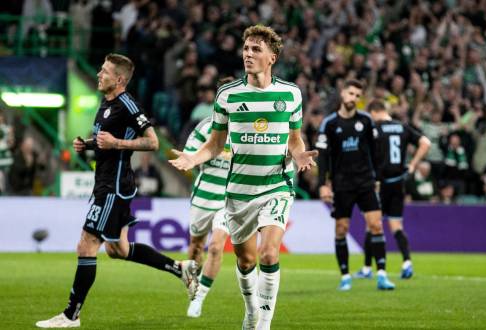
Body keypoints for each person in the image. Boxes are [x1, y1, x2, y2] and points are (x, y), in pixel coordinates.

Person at [170, 25, 317, 330]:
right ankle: (251, 311)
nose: (248, 54)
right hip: (239, 192)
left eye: (256, 49)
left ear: (272, 57)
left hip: (277, 185)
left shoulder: (291, 94)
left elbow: (294, 138)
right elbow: (215, 144)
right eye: (246, 49)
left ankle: (263, 323)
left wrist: (299, 153)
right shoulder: (227, 94)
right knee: (246, 260)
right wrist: (192, 158)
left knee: (268, 253)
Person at [36, 53, 198, 329]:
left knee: (86, 244)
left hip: (114, 187)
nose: (99, 74)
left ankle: (71, 315)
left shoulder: (127, 103)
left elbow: (153, 143)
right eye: (100, 69)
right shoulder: (106, 102)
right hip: (107, 183)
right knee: (118, 249)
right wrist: (88, 144)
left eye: (105, 71)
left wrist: (116, 144)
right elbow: (106, 140)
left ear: (119, 79)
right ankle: (179, 269)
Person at [316, 80, 395, 291]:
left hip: (365, 182)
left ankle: (382, 275)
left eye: (358, 95)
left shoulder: (367, 121)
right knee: (341, 229)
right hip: (342, 184)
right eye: (351, 93)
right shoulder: (330, 124)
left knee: (376, 225)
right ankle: (345, 276)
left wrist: (378, 178)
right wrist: (323, 184)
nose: (353, 98)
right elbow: (322, 157)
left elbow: (377, 153)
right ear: (342, 93)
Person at [356, 99, 431, 280]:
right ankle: (407, 262)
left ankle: (367, 268)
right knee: (396, 225)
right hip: (398, 183)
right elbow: (426, 143)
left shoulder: (375, 130)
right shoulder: (402, 127)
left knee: (372, 225)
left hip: (380, 184)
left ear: (374, 112)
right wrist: (413, 164)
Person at [182, 114, 231, 318]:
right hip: (204, 195)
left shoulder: (247, 127)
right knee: (195, 247)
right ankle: (193, 289)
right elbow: (189, 154)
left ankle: (200, 297)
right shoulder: (207, 126)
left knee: (216, 246)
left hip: (229, 198)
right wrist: (214, 151)